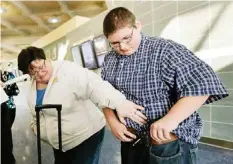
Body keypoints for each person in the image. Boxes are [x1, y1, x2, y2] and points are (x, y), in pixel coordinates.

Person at [101, 7, 229, 164]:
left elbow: (205, 82)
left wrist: (171, 119)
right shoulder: (109, 60)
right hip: (131, 142)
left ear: (138, 26)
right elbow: (104, 93)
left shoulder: (164, 50)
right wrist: (112, 122)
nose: (123, 47)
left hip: (166, 144)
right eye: (115, 43)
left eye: (127, 38)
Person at [17, 46, 147, 164]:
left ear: (45, 59)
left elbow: (94, 85)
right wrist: (35, 126)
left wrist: (119, 102)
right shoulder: (33, 85)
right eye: (33, 72)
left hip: (85, 137)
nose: (39, 73)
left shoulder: (67, 70)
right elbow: (35, 110)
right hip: (59, 143)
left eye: (41, 67)